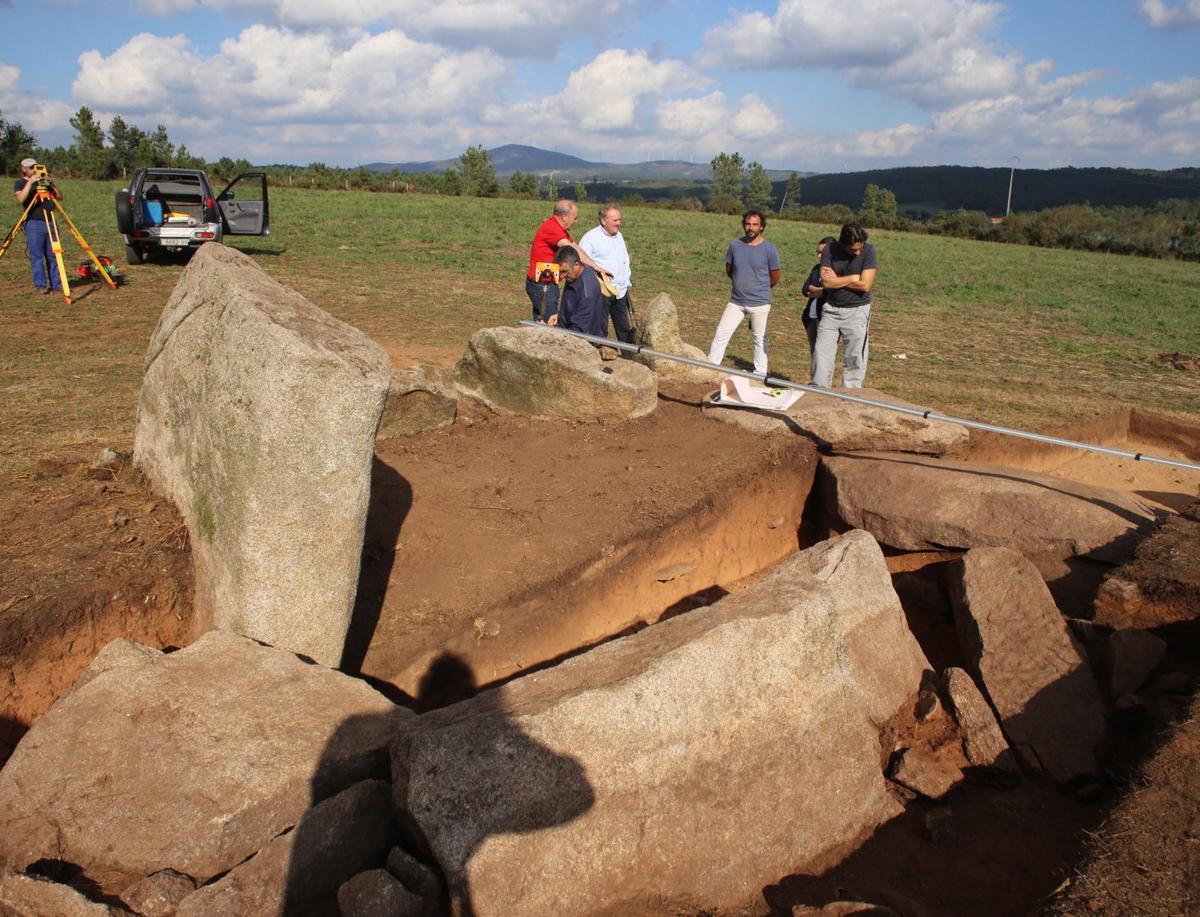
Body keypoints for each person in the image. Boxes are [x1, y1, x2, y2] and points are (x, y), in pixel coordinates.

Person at [706, 210, 780, 376]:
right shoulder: (735, 245)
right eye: (748, 224)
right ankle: (711, 366)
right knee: (721, 333)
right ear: (743, 225)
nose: (751, 227)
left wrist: (759, 290)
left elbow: (774, 276)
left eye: (755, 224)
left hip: (760, 303)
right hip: (736, 301)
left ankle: (760, 373)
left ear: (761, 227)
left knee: (759, 338)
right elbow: (730, 269)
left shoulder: (769, 249)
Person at [811, 223, 877, 389]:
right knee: (821, 353)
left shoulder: (869, 251)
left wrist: (837, 280)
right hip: (831, 310)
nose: (858, 252)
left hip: (857, 311)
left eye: (859, 248)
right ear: (843, 244)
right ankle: (819, 390)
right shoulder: (829, 251)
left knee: (855, 356)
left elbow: (865, 286)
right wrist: (854, 277)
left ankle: (851, 393)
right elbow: (826, 282)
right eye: (853, 250)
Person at [524, 199, 604, 324]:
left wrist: (594, 265)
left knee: (541, 321)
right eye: (575, 218)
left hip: (547, 283)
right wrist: (596, 267)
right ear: (565, 217)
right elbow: (570, 249)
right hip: (543, 285)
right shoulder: (552, 228)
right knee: (550, 323)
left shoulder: (559, 229)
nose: (575, 222)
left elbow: (576, 247)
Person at [579, 203, 635, 345]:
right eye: (615, 220)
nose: (618, 223)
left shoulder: (619, 236)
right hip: (601, 291)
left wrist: (626, 282)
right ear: (603, 221)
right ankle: (597, 354)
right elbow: (581, 262)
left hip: (620, 291)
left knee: (624, 327)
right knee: (599, 327)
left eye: (619, 220)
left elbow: (624, 260)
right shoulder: (590, 238)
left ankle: (628, 358)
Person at [12, 157, 63, 294]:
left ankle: (57, 283)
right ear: (23, 169)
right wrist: (31, 183)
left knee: (54, 255)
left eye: (35, 166)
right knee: (37, 256)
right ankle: (41, 284)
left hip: (50, 220)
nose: (33, 169)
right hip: (33, 223)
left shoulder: (44, 181)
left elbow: (59, 197)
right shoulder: (19, 183)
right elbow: (21, 198)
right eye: (30, 167)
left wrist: (52, 184)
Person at [548, 247, 607, 338]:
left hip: (584, 342)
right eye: (560, 272)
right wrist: (560, 316)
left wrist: (554, 333)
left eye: (564, 271)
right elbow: (574, 306)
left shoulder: (587, 292)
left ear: (577, 264)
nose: (562, 276)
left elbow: (578, 331)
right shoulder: (574, 275)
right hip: (568, 329)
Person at [801, 236, 837, 362]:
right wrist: (818, 291)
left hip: (826, 317)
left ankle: (822, 380)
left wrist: (816, 290)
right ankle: (815, 379)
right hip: (811, 317)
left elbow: (831, 291)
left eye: (822, 253)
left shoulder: (837, 271)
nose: (819, 256)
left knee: (823, 354)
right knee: (814, 352)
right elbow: (805, 288)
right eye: (818, 252)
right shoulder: (817, 269)